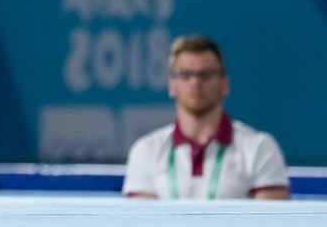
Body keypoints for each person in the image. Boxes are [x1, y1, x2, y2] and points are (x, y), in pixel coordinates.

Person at [122, 34, 290, 200]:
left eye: (206, 74)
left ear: (224, 85)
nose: (195, 82)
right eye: (186, 75)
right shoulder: (146, 151)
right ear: (172, 85)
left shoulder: (259, 148)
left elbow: (273, 222)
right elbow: (141, 222)